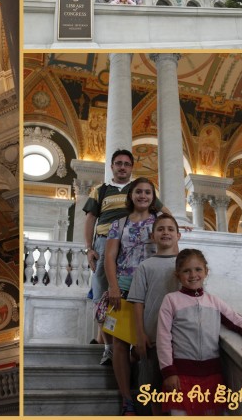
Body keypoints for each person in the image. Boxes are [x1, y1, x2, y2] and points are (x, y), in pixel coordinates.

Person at [157, 249, 242, 416]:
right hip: (180, 376)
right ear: (178, 275)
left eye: (198, 269)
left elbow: (236, 319)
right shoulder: (171, 300)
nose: (193, 274)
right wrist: (168, 372)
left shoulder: (214, 302)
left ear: (206, 272)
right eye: (186, 270)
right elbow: (163, 338)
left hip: (212, 376)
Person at [83, 149, 166, 365]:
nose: (122, 167)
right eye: (118, 163)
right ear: (111, 166)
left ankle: (132, 343)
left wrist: (173, 227)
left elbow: (163, 210)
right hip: (104, 243)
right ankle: (109, 348)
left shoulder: (140, 189)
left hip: (134, 244)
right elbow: (90, 218)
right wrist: (88, 248)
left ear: (131, 167)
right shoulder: (100, 190)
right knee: (103, 294)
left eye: (126, 164)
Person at [105, 177, 160, 415]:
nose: (143, 196)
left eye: (148, 192)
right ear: (131, 195)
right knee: (120, 342)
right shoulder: (119, 223)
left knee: (148, 341)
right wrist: (113, 286)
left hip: (151, 285)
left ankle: (153, 397)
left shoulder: (160, 222)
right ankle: (127, 399)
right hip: (124, 285)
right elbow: (110, 257)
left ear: (152, 197)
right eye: (138, 191)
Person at [127, 213, 182, 415]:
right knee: (155, 390)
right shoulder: (145, 266)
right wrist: (139, 335)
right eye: (160, 229)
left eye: (170, 229)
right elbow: (138, 302)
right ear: (152, 236)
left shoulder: (186, 265)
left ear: (178, 235)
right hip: (152, 338)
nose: (165, 232)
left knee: (179, 391)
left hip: (181, 338)